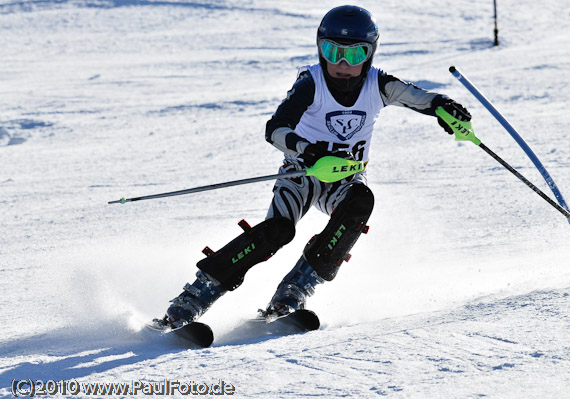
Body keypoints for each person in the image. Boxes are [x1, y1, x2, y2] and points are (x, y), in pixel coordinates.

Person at [161, 5, 470, 327]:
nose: (342, 64)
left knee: (360, 202)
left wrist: (445, 108)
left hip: (345, 179)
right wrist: (308, 153)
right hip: (301, 174)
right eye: (332, 51)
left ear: (371, 54)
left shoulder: (379, 84)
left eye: (355, 54)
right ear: (319, 48)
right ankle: (194, 297)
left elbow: (420, 98)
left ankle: (294, 291)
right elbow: (276, 129)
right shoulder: (312, 81)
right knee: (277, 231)